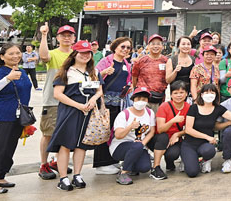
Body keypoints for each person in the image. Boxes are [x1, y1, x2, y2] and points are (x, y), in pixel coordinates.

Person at [48, 40, 104, 191]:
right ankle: (63, 178)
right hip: (70, 111)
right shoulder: (66, 72)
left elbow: (99, 91)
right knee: (66, 143)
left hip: (89, 112)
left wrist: (93, 99)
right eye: (82, 53)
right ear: (74, 54)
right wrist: (78, 106)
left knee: (81, 144)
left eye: (88, 53)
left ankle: (77, 174)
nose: (85, 55)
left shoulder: (94, 72)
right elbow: (58, 94)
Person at [0, 44, 32, 194]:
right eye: (11, 53)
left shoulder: (21, 71)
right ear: (2, 56)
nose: (16, 56)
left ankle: (0, 176)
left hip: (17, 117)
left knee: (8, 149)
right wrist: (8, 79)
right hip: (1, 116)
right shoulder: (0, 72)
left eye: (18, 53)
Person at [181, 84, 231, 177]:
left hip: (205, 145)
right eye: (206, 92)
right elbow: (188, 129)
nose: (209, 95)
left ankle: (205, 160)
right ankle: (187, 160)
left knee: (209, 150)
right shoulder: (194, 108)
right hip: (190, 144)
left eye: (212, 92)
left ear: (216, 95)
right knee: (192, 172)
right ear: (201, 94)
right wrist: (207, 137)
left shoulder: (218, 108)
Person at [37, 23, 75, 180]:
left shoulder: (77, 55)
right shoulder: (53, 54)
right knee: (48, 133)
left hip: (72, 101)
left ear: (74, 38)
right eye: (63, 35)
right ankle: (43, 164)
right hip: (52, 100)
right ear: (58, 38)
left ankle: (57, 161)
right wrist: (44, 35)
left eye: (69, 35)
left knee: (66, 133)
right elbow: (44, 56)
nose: (66, 38)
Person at [92, 37, 134, 175]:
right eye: (123, 46)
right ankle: (101, 164)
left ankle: (111, 160)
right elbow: (92, 77)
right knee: (104, 131)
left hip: (119, 102)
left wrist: (128, 87)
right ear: (115, 47)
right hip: (105, 102)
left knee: (113, 131)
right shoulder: (106, 61)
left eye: (128, 47)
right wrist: (104, 72)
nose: (125, 50)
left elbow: (127, 80)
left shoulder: (127, 64)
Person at [110, 87, 156, 185]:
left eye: (144, 99)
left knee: (145, 167)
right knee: (137, 146)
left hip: (138, 146)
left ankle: (129, 164)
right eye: (138, 99)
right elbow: (118, 135)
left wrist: (142, 144)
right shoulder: (124, 114)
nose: (141, 101)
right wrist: (130, 127)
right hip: (120, 146)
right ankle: (123, 173)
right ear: (133, 99)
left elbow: (152, 131)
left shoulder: (149, 113)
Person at [153, 81, 189, 174]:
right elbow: (160, 129)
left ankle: (169, 162)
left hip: (175, 139)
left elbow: (190, 128)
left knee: (173, 154)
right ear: (171, 95)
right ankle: (156, 167)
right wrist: (173, 120)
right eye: (175, 93)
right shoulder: (164, 106)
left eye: (181, 92)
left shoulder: (188, 107)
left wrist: (177, 134)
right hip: (159, 138)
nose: (179, 95)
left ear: (186, 94)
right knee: (163, 137)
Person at [131, 34, 169, 112]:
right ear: (148, 46)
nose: (156, 46)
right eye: (153, 44)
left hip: (159, 98)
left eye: (158, 44)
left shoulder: (167, 61)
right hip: (143, 97)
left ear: (162, 46)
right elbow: (134, 77)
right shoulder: (141, 60)